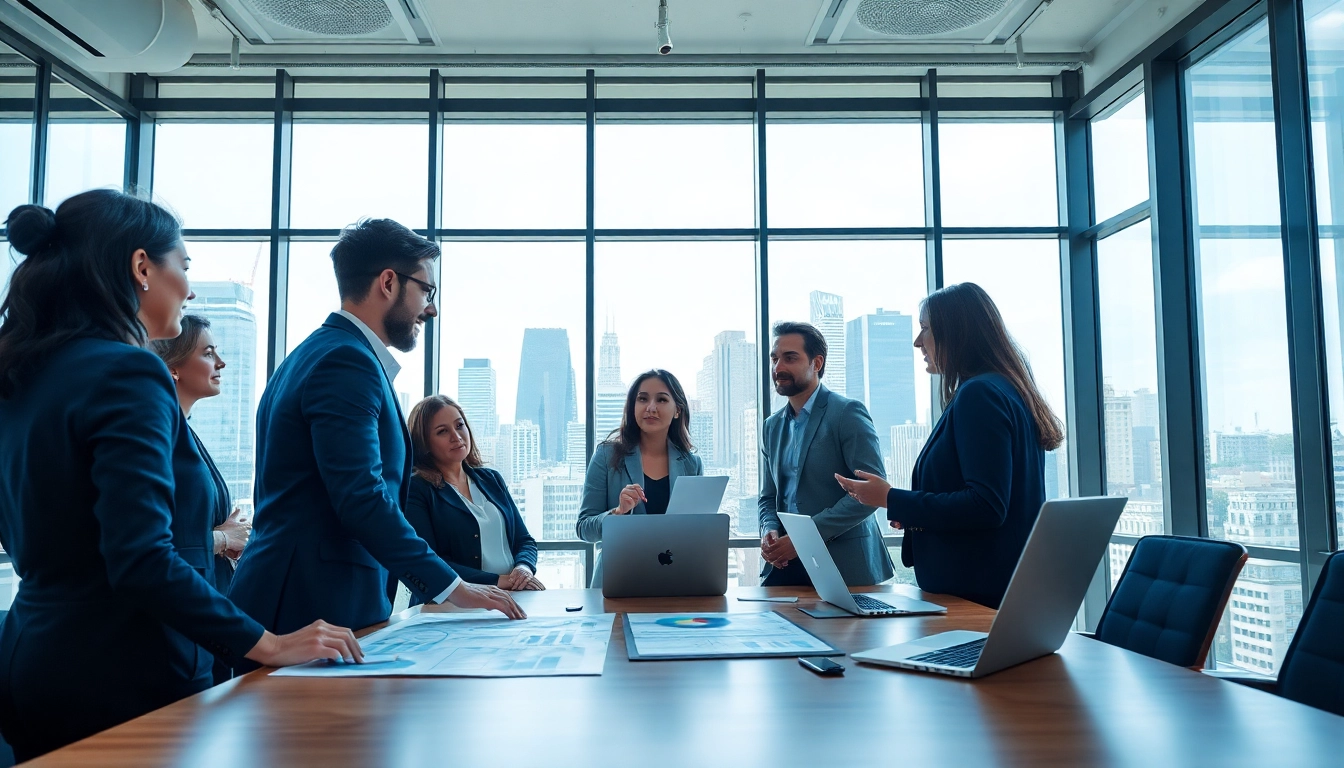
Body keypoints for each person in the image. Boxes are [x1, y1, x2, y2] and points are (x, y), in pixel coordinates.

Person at [0, 192, 361, 762]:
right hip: (127, 673)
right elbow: (142, 558)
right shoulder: (128, 370)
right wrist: (268, 643)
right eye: (184, 266)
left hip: (33, 661)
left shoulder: (21, 370)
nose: (189, 290)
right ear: (142, 267)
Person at [228, 218, 524, 644]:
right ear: (388, 282)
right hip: (309, 604)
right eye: (427, 291)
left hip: (303, 598)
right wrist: (455, 588)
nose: (431, 309)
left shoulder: (312, 354)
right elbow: (362, 498)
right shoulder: (346, 362)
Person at [836, 283, 1064, 609]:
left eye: (925, 329)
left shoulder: (979, 394)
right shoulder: (1006, 389)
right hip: (997, 590)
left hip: (975, 596)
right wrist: (914, 513)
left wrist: (889, 498)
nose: (918, 341)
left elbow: (986, 505)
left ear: (956, 332)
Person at [151, 314, 252, 683]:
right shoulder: (160, 437)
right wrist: (222, 539)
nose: (221, 363)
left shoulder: (186, 434)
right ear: (173, 368)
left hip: (207, 615)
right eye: (208, 353)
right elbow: (154, 543)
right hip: (178, 631)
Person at [759, 321, 893, 587]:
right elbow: (768, 497)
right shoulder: (771, 426)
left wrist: (804, 539)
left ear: (817, 363)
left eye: (790, 358)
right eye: (774, 359)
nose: (778, 367)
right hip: (785, 565)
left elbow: (869, 494)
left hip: (844, 565)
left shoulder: (847, 413)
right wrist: (769, 530)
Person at [404, 395, 542, 599]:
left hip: (512, 596)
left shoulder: (491, 479)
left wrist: (523, 568)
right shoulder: (417, 488)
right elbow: (429, 561)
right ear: (424, 442)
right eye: (442, 431)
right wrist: (498, 581)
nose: (456, 436)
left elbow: (524, 540)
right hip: (455, 603)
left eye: (459, 425)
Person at [577, 369, 703, 587]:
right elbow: (584, 528)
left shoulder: (692, 464)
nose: (650, 407)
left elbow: (697, 532)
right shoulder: (606, 456)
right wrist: (618, 512)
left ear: (677, 410)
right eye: (642, 399)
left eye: (661, 399)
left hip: (676, 581)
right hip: (618, 581)